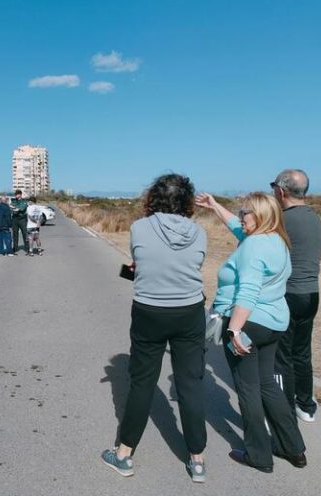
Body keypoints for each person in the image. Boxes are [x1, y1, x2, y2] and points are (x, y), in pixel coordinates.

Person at [101, 174, 208, 483]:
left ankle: (124, 454)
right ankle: (197, 460)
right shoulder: (199, 232)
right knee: (190, 383)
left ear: (154, 198)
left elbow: (139, 264)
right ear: (186, 200)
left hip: (149, 311)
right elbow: (192, 266)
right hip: (189, 311)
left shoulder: (139, 228)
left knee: (142, 382)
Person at [196, 191, 306, 473]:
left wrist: (234, 330)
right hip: (272, 323)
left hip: (247, 323)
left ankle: (259, 455)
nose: (241, 217)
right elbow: (237, 226)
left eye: (245, 212)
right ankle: (293, 448)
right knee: (267, 384)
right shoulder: (275, 240)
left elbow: (248, 291)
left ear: (260, 216)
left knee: (248, 388)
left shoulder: (253, 246)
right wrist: (215, 206)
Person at [270, 169, 321, 423]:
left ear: (281, 191)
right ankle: (306, 404)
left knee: (281, 355)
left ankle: (283, 413)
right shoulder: (314, 217)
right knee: (302, 352)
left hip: (289, 294)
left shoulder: (283, 220)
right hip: (311, 293)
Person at [10, 190, 29, 255]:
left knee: (25, 233)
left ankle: (27, 248)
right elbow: (11, 207)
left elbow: (21, 209)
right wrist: (15, 208)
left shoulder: (24, 201)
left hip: (22, 219)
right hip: (14, 219)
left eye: (17, 194)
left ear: (20, 194)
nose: (16, 195)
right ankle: (15, 248)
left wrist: (15, 208)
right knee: (15, 234)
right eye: (15, 194)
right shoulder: (13, 201)